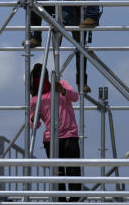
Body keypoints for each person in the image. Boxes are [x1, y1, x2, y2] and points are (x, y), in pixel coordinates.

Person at [29, 62, 85, 201]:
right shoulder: (35, 99)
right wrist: (33, 118)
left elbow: (75, 97)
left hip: (69, 135)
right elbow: (34, 125)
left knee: (73, 173)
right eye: (36, 77)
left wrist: (63, 91)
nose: (39, 79)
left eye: (40, 75)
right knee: (57, 175)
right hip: (51, 138)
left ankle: (74, 201)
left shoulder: (61, 85)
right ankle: (60, 202)